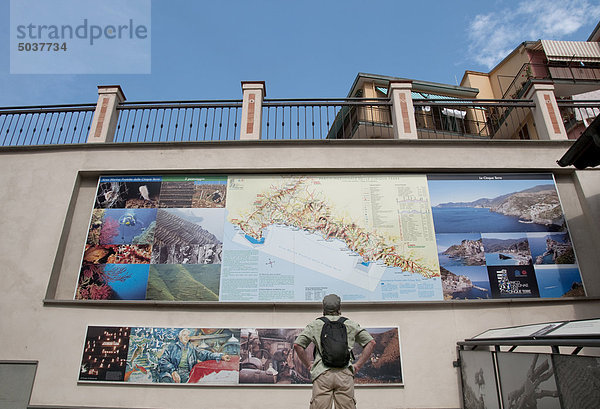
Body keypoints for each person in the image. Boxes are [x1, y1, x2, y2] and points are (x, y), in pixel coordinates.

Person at [294, 294, 376, 409]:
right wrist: (357, 365)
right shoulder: (350, 324)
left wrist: (308, 365)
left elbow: (298, 345)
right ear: (339, 308)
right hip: (344, 374)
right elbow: (370, 343)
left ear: (323, 308)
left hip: (322, 373)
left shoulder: (315, 325)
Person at [158, 329, 231, 383]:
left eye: (188, 336)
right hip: (172, 371)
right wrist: (173, 371)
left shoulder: (191, 348)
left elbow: (205, 354)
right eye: (184, 335)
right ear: (180, 337)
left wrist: (221, 356)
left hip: (186, 372)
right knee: (166, 381)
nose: (186, 337)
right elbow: (162, 361)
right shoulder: (172, 347)